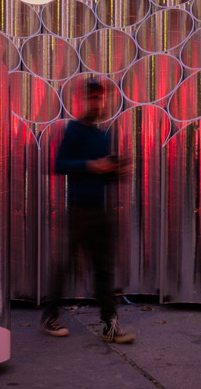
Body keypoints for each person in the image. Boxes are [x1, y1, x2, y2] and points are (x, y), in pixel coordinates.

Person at [40, 79, 134, 344]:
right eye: (93, 98)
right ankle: (50, 316)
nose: (97, 103)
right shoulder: (74, 130)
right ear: (84, 100)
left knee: (104, 269)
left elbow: (106, 176)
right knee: (68, 264)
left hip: (101, 211)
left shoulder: (103, 136)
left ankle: (109, 325)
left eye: (100, 98)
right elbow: (59, 164)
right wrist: (92, 165)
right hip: (80, 210)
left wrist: (117, 171)